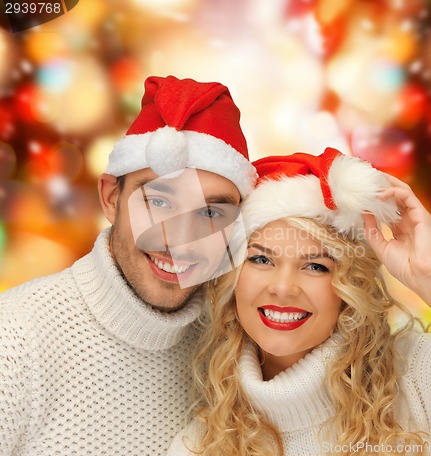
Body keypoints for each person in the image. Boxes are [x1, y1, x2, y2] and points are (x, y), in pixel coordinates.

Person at [167, 148, 431, 456]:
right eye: (261, 260)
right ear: (232, 278)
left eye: (315, 266)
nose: (283, 288)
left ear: (348, 286)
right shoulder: (200, 445)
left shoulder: (421, 372)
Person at [0, 75, 257, 455]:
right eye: (159, 201)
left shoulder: (230, 347)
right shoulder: (16, 339)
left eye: (209, 211)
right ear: (110, 197)